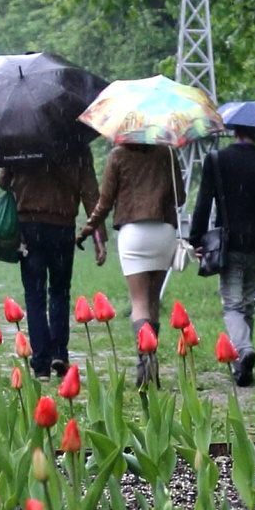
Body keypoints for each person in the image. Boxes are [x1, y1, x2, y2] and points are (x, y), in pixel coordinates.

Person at [186, 124, 255, 388]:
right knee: (246, 303)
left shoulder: (217, 160)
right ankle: (242, 369)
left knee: (232, 305)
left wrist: (196, 239)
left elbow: (203, 203)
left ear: (234, 131)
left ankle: (243, 350)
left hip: (228, 243)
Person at [81, 139, 182, 386]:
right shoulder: (167, 153)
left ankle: (144, 363)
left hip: (133, 233)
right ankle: (153, 361)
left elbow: (104, 203)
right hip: (164, 232)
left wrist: (88, 228)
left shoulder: (118, 156)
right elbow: (180, 197)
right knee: (152, 300)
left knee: (139, 302)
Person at [0, 144, 99, 379]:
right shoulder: (76, 142)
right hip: (63, 226)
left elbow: (4, 181)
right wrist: (98, 234)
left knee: (35, 294)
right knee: (60, 292)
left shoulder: (21, 138)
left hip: (29, 227)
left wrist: (9, 160)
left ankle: (41, 363)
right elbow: (89, 190)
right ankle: (59, 354)